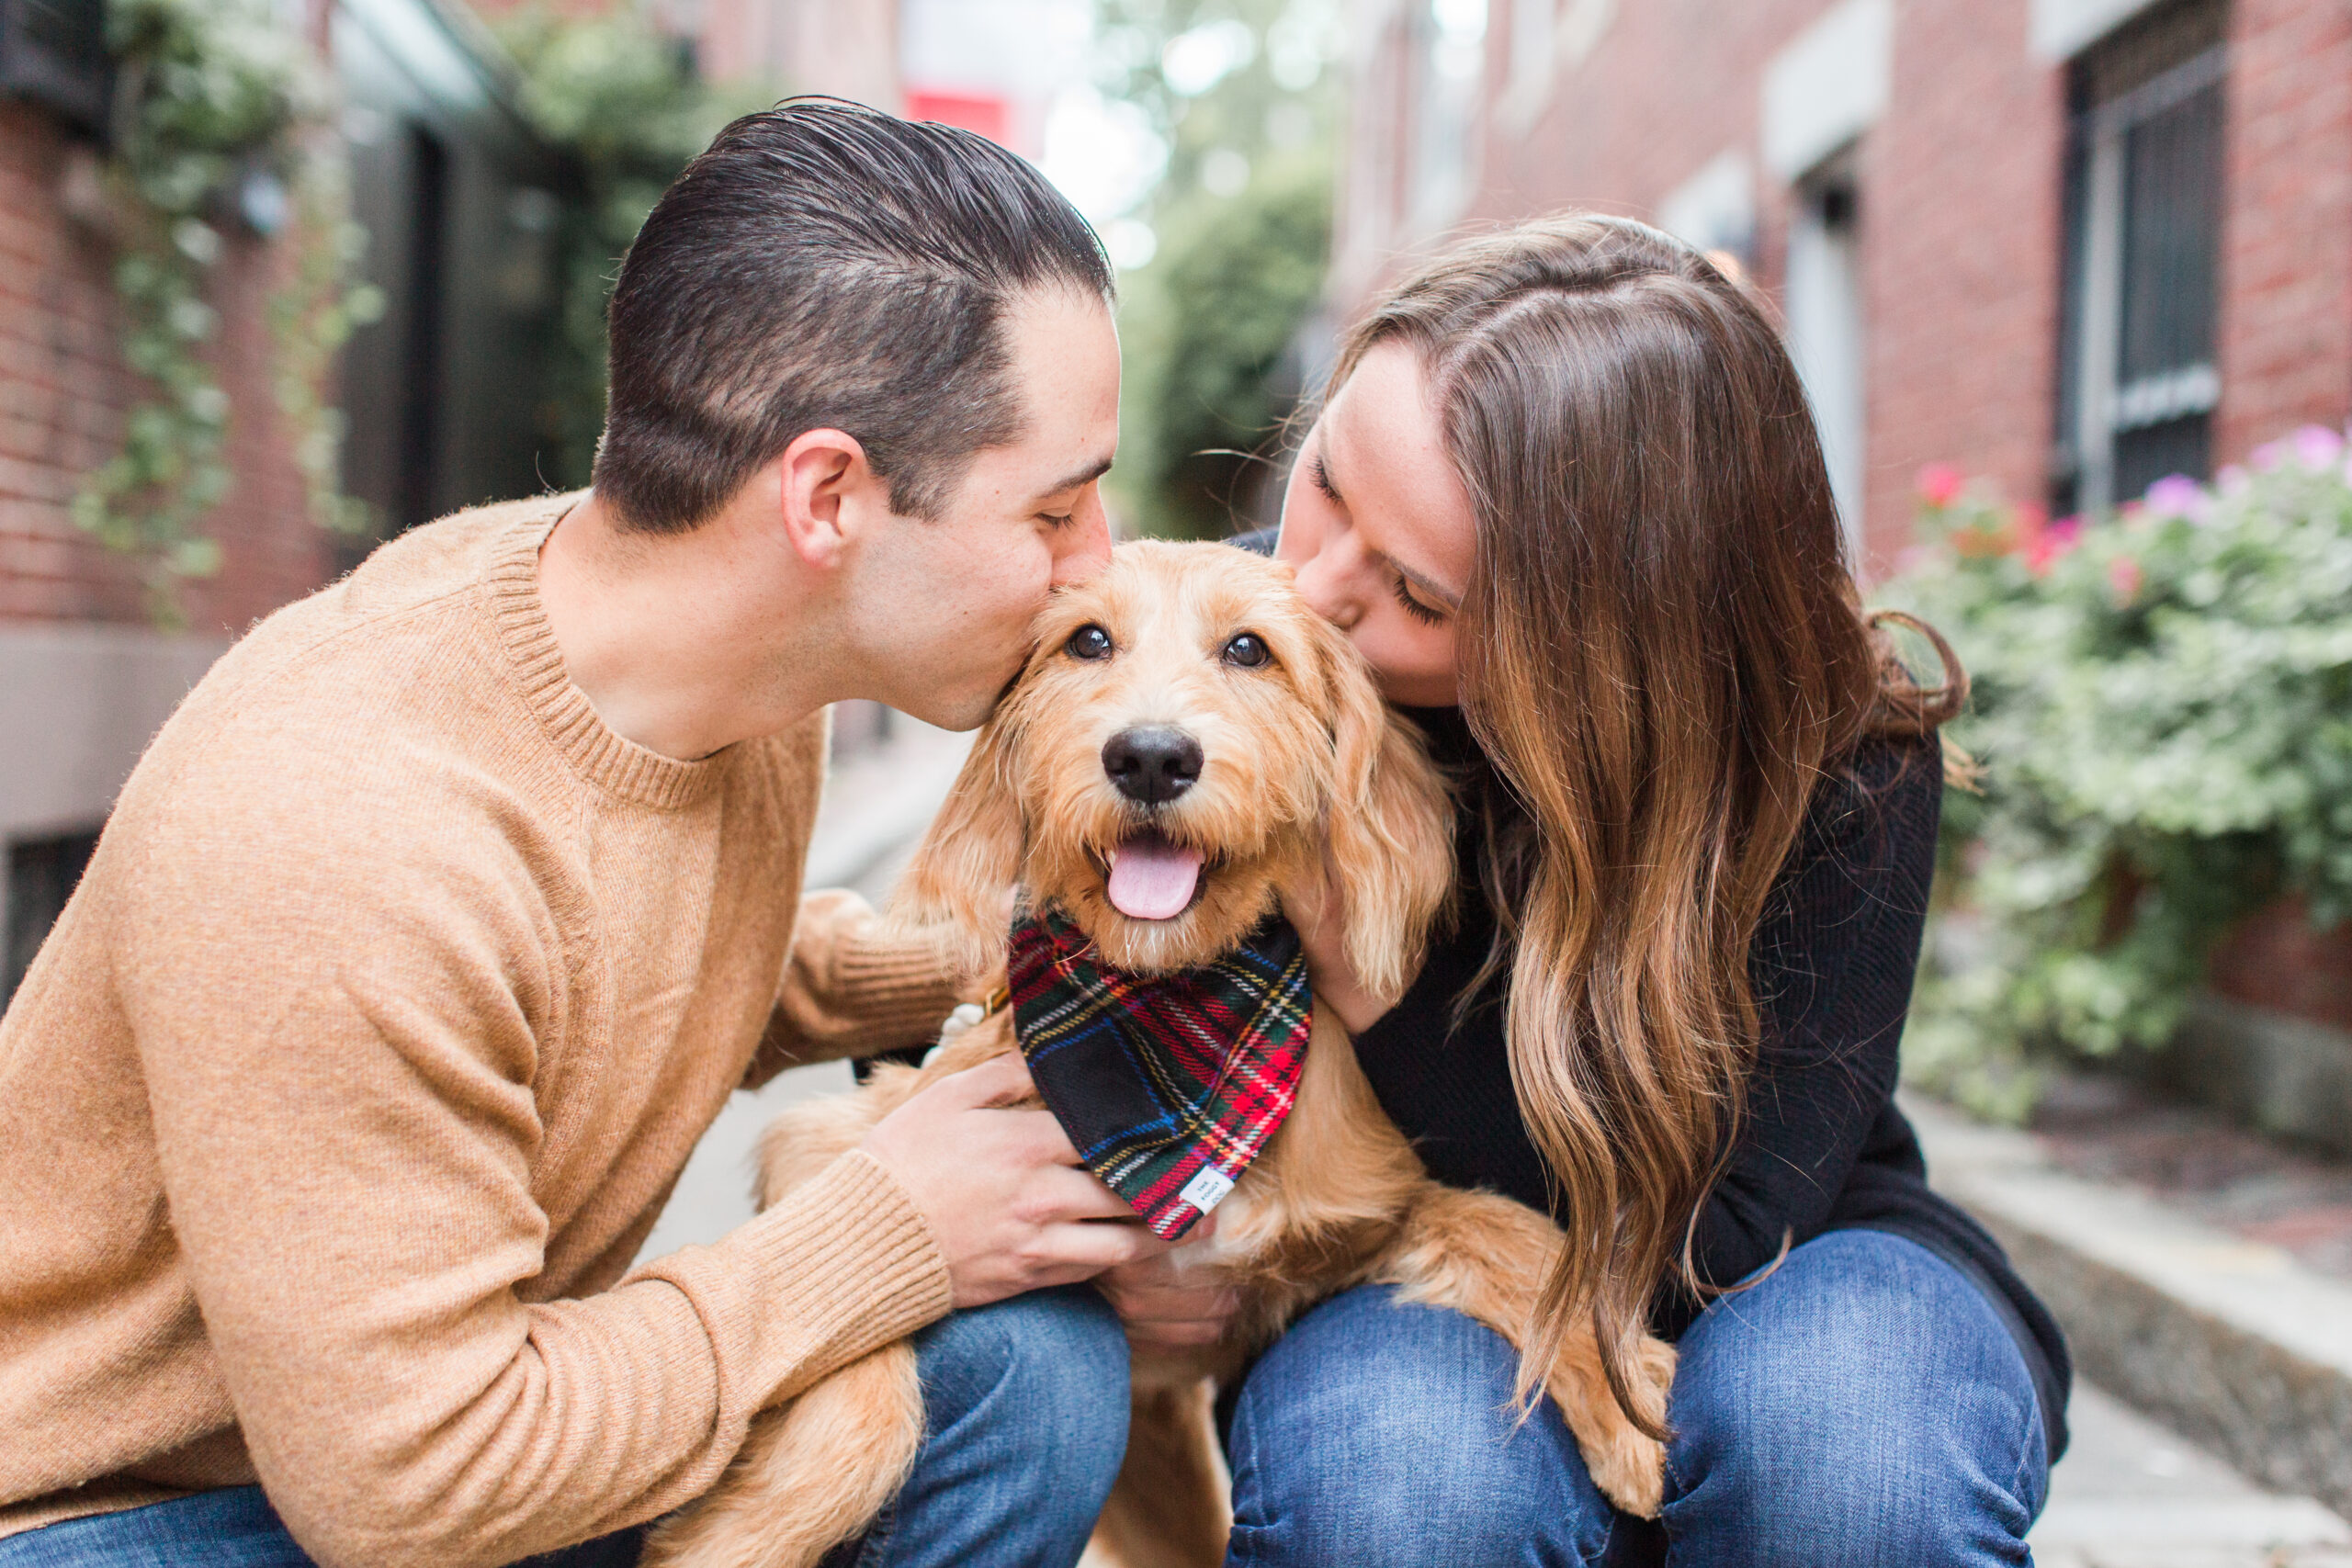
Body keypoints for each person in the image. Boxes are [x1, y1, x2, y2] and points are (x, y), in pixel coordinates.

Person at [0, 103, 1160, 1568]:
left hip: (406, 1454)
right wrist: (882, 1228)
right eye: (1055, 509)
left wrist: (1042, 943)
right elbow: (412, 1490)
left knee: (1023, 1379)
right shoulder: (352, 831)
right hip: (120, 1512)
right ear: (828, 498)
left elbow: (630, 960)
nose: (1098, 559)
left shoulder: (725, 659)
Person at [1100, 215, 2070, 1565]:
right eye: (1324, 479)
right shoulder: (1233, 661)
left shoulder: (1837, 764)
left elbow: (1725, 1233)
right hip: (1399, 1267)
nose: (1312, 589)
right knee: (1398, 1494)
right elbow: (1016, 943)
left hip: (1784, 1256)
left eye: (1420, 597)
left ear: (1602, 639)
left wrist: (1366, 974)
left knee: (1845, 1457)